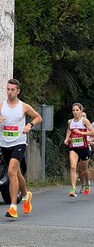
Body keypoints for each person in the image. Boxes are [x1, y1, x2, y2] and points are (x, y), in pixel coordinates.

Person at [0, 78, 42, 218]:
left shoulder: (24, 106)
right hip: (4, 143)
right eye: (8, 89)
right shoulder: (1, 106)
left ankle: (13, 208)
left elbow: (37, 117)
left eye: (12, 90)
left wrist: (29, 126)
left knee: (11, 171)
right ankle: (26, 195)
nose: (10, 92)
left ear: (18, 91)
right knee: (16, 174)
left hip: (19, 143)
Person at [64, 103, 94, 197]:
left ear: (81, 111)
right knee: (73, 167)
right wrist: (66, 138)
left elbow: (92, 133)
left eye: (77, 110)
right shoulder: (70, 121)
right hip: (73, 146)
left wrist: (81, 132)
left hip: (83, 147)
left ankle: (87, 183)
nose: (75, 112)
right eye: (73, 110)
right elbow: (69, 130)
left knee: (84, 170)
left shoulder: (84, 121)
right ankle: (73, 189)